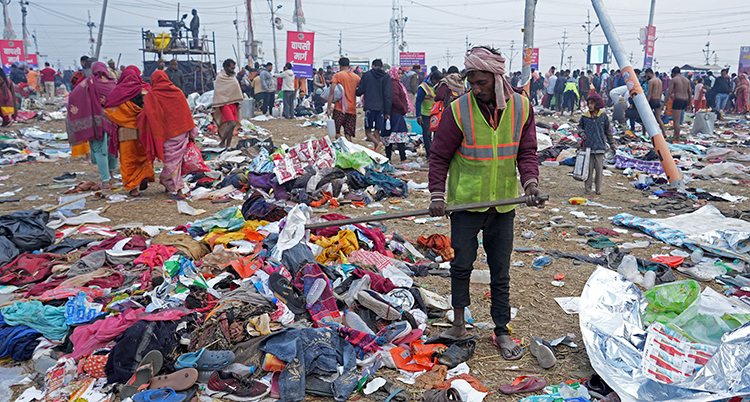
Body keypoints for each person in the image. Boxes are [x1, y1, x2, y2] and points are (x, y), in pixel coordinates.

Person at [428, 46, 543, 361]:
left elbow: (527, 151)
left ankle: (501, 330)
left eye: (481, 82)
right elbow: (439, 156)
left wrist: (530, 182)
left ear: (496, 77)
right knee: (461, 265)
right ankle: (459, 326)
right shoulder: (458, 110)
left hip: (503, 205)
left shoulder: (521, 107)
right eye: (472, 82)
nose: (476, 89)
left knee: (500, 270)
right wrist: (437, 194)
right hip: (466, 203)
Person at [138, 70, 197, 199]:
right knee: (175, 162)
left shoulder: (151, 96)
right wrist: (192, 132)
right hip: (181, 133)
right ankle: (170, 185)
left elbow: (147, 116)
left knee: (171, 162)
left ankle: (177, 189)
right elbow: (186, 113)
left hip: (163, 135)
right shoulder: (178, 92)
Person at [103, 67, 155, 196]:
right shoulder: (146, 90)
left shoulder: (117, 93)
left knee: (128, 161)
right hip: (143, 131)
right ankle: (142, 176)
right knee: (143, 157)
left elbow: (109, 111)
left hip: (125, 133)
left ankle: (133, 188)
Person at [66, 62, 118, 188]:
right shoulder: (113, 83)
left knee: (100, 151)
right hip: (112, 120)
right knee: (111, 149)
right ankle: (111, 176)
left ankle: (105, 181)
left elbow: (73, 96)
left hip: (96, 121)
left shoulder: (89, 83)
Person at [578, 93, 614, 195]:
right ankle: (588, 189)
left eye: (592, 103)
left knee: (599, 169)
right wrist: (582, 133)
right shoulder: (585, 117)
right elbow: (579, 127)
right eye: (588, 103)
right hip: (588, 146)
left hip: (600, 146)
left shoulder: (603, 117)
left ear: (597, 104)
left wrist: (612, 144)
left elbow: (608, 131)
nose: (589, 105)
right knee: (588, 169)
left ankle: (598, 189)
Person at [356, 59, 392, 152]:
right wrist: (388, 111)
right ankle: (378, 154)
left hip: (369, 107)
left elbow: (360, 91)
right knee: (377, 131)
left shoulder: (367, 75)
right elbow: (388, 95)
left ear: (372, 66)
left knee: (368, 132)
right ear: (381, 67)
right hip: (381, 108)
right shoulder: (386, 76)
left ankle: (378, 143)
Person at [212, 59, 244, 148]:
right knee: (232, 123)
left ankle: (228, 144)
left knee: (232, 126)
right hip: (224, 103)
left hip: (233, 103)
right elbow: (219, 91)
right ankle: (222, 142)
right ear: (226, 67)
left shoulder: (232, 76)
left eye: (234, 68)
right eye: (231, 68)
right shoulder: (220, 77)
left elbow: (235, 90)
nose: (233, 70)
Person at [327, 57, 360, 141]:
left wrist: (328, 107)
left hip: (339, 108)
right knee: (348, 134)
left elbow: (332, 91)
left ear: (340, 66)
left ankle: (343, 144)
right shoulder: (356, 77)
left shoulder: (337, 75)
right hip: (352, 109)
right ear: (349, 66)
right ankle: (349, 149)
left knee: (336, 132)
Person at [382, 67, 411, 162]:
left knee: (391, 137)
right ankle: (402, 158)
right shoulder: (394, 84)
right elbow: (395, 99)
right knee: (399, 138)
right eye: (398, 73)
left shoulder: (395, 84)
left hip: (392, 114)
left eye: (401, 73)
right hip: (396, 114)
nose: (400, 75)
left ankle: (388, 158)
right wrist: (403, 108)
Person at [415, 70, 442, 159]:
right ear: (433, 79)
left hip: (436, 114)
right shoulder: (423, 87)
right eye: (437, 81)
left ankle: (436, 154)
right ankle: (429, 155)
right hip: (425, 114)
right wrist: (418, 116)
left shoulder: (440, 86)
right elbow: (418, 101)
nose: (438, 83)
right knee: (427, 134)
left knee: (437, 134)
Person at [664, 66, 691, 142]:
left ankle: (677, 138)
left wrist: (664, 104)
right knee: (678, 119)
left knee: (676, 121)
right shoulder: (686, 80)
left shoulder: (674, 80)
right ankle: (675, 135)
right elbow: (689, 92)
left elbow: (669, 92)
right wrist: (689, 104)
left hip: (678, 100)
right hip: (685, 100)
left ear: (673, 73)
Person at [645, 68, 667, 135]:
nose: (646, 77)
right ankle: (664, 133)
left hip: (652, 100)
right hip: (658, 100)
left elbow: (649, 93)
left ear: (649, 73)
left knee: (645, 117)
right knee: (659, 118)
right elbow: (660, 93)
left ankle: (643, 133)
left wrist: (646, 103)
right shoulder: (659, 81)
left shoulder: (651, 81)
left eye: (646, 75)